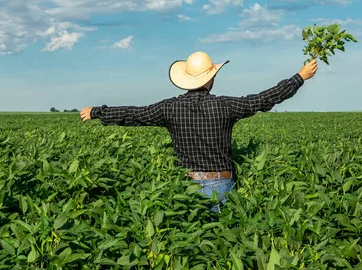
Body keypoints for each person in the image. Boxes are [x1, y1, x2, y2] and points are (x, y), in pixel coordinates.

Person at [80, 51, 318, 212]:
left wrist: (97, 111)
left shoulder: (169, 108)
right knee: (221, 248)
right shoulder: (225, 105)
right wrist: (300, 77)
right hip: (222, 185)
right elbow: (263, 99)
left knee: (192, 248)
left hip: (186, 186)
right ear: (211, 78)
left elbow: (134, 114)